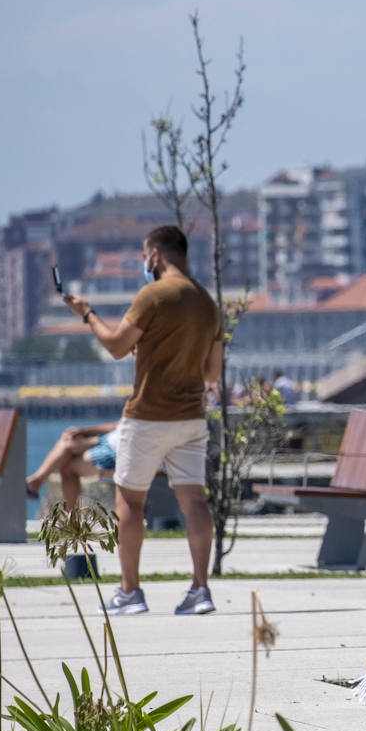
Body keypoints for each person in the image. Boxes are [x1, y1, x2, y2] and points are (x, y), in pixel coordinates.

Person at [63, 224, 222, 616]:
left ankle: (130, 592)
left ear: (156, 255)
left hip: (148, 415)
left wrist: (87, 314)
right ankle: (200, 590)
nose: (144, 262)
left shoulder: (153, 295)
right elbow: (212, 373)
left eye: (145, 254)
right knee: (195, 500)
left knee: (130, 500)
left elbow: (117, 345)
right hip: (191, 418)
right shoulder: (207, 303)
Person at [25, 421, 120, 510]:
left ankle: (35, 482)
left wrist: (86, 432)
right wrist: (84, 431)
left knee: (68, 463)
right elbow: (122, 424)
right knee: (69, 437)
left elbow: (123, 425)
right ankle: (35, 482)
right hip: (110, 440)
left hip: (116, 450)